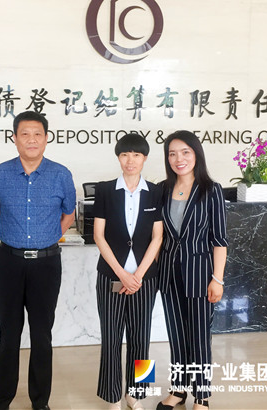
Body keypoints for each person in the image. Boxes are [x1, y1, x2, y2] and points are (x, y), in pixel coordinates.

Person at [0, 111, 76, 410]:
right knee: (8, 335)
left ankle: (40, 402)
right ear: (14, 138)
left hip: (46, 264)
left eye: (37, 134)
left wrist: (47, 237)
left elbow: (68, 214)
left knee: (41, 336)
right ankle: (0, 402)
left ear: (46, 138)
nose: (31, 139)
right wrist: (9, 239)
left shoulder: (60, 174)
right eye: (24, 134)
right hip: (9, 263)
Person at [156, 130, 228, 410]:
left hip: (200, 275)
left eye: (185, 152)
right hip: (168, 275)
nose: (179, 159)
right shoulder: (162, 189)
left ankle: (202, 396)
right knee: (176, 336)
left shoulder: (211, 190)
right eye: (172, 154)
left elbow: (219, 240)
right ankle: (178, 390)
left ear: (196, 154)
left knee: (199, 338)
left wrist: (217, 279)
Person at [92, 134, 163, 410]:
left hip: (145, 279)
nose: (130, 160)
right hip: (111, 275)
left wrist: (138, 276)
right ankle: (112, 397)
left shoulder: (155, 192)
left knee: (141, 338)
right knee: (111, 338)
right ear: (118, 158)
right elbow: (99, 236)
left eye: (136, 155)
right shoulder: (105, 190)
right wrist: (122, 274)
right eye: (124, 155)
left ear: (144, 158)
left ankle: (137, 394)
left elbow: (157, 237)